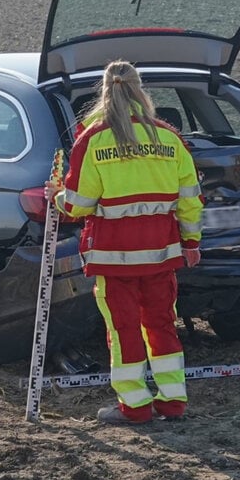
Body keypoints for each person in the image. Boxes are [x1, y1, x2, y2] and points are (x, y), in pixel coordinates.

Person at [45, 60, 203, 423]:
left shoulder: (93, 140)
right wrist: (191, 242)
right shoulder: (169, 137)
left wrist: (55, 196)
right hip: (161, 258)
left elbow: (78, 205)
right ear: (140, 90)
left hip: (114, 260)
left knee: (124, 330)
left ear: (104, 90)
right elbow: (191, 200)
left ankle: (134, 407)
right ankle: (173, 402)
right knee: (162, 326)